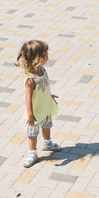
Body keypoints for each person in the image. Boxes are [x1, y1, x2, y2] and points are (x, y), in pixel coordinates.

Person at [15, 40, 61, 168]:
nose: (48, 57)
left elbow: (43, 88)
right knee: (33, 134)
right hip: (34, 113)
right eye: (45, 54)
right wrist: (30, 115)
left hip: (45, 108)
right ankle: (32, 154)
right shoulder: (30, 79)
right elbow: (28, 97)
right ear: (37, 58)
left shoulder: (43, 70)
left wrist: (49, 96)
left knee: (46, 126)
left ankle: (47, 143)